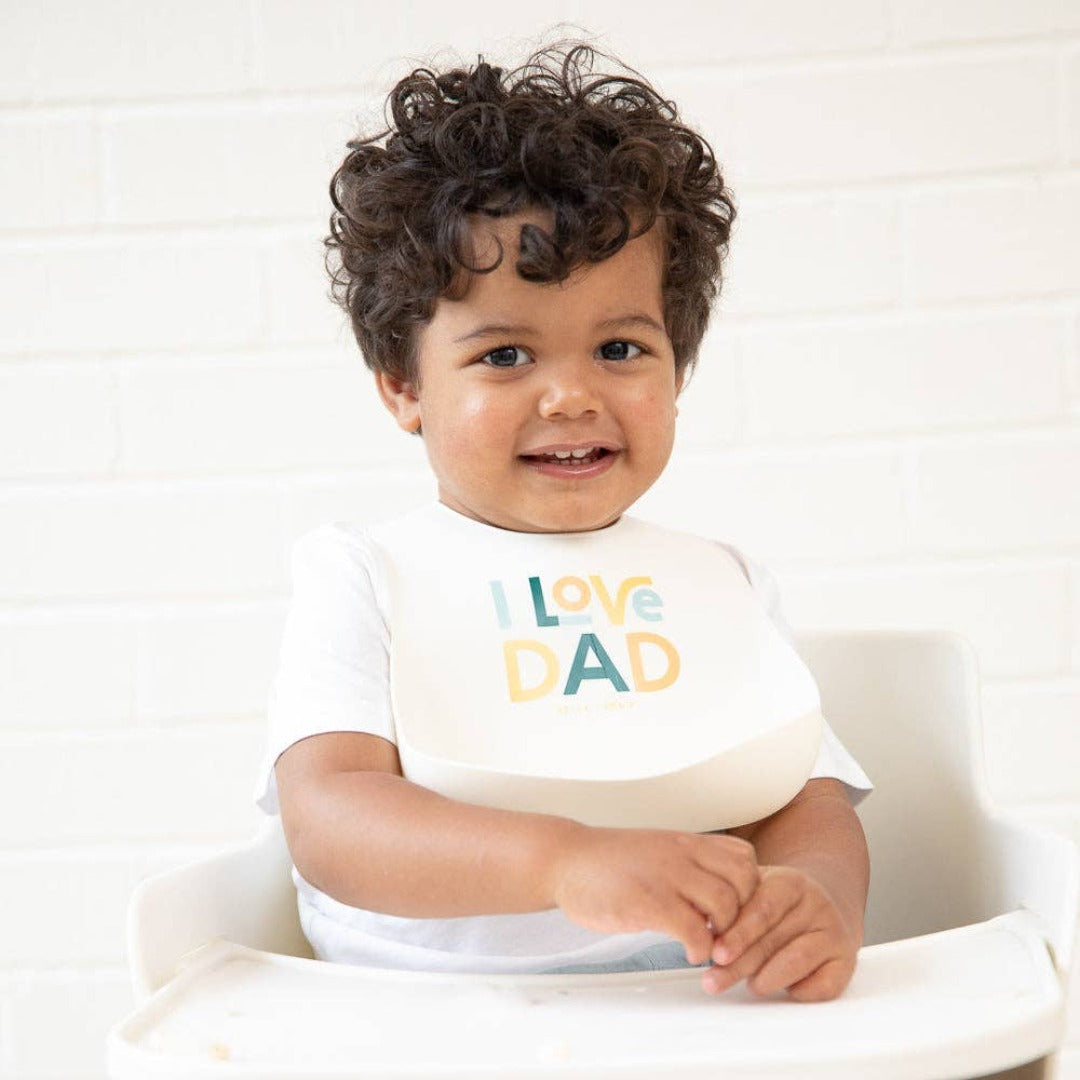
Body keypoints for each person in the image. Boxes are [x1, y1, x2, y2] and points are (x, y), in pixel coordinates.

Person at [255, 41, 872, 1002]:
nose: (570, 396)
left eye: (620, 347)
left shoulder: (721, 581)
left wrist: (814, 894)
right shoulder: (365, 575)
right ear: (402, 384)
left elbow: (803, 795)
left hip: (693, 1000)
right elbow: (332, 817)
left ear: (680, 368)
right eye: (505, 357)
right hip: (415, 1012)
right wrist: (562, 862)